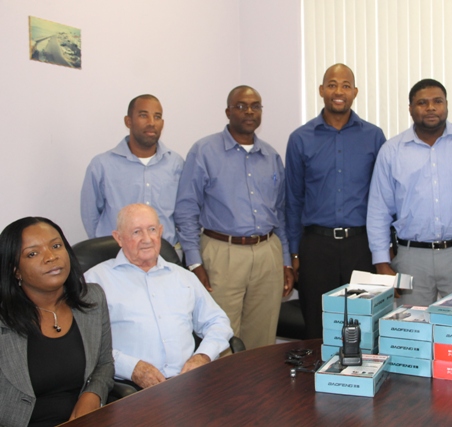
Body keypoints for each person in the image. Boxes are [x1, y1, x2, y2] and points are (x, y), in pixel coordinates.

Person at [174, 85, 293, 350]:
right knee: (220, 337)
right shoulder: (204, 151)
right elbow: (186, 209)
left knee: (261, 340)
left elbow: (280, 213)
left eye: (255, 106)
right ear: (228, 111)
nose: (249, 111)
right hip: (222, 253)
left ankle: (258, 391)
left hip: (267, 254)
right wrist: (195, 263)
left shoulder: (271, 156)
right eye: (241, 106)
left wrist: (285, 261)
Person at [367, 78, 452, 306]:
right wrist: (381, 262)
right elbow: (378, 210)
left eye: (437, 101)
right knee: (411, 333)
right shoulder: (391, 151)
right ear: (410, 109)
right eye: (422, 102)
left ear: (447, 105)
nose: (431, 107)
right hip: (411, 258)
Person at [285, 63, 386, 339]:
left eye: (344, 85)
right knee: (318, 330)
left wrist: (385, 251)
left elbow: (384, 198)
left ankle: (361, 380)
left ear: (355, 92)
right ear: (321, 90)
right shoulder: (300, 139)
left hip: (361, 246)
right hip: (316, 248)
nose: (338, 91)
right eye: (331, 84)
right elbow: (292, 201)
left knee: (364, 328)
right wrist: (293, 254)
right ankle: (317, 381)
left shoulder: (374, 137)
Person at [84, 204, 233, 389]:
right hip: (132, 390)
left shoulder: (183, 277)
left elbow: (218, 322)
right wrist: (131, 368)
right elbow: (88, 343)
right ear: (118, 238)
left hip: (190, 383)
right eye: (136, 232)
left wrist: (203, 356)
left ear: (160, 232)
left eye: (152, 230)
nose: (147, 239)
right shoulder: (95, 280)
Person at [0, 217, 114, 427]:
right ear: (15, 270)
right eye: (33, 253)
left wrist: (92, 396)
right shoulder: (3, 321)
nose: (51, 257)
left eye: (56, 245)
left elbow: (104, 363)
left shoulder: (93, 299)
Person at [80, 94, 184, 248]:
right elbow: (90, 216)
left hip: (165, 255)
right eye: (143, 115)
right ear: (128, 121)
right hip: (116, 255)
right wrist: (104, 248)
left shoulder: (176, 163)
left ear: (162, 123)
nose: (151, 123)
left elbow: (184, 213)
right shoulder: (102, 165)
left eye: (157, 117)